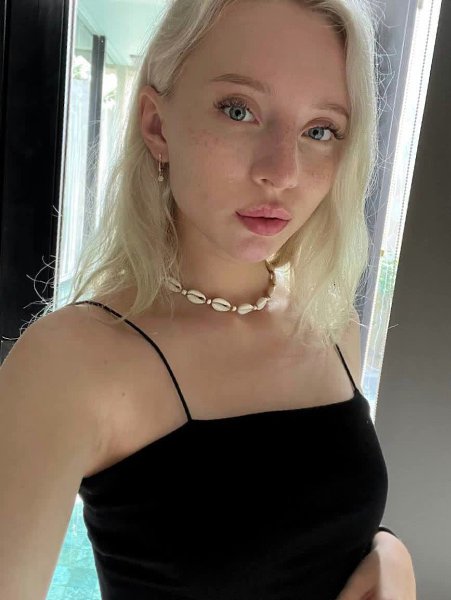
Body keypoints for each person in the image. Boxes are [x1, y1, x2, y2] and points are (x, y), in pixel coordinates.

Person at [0, 0, 416, 598]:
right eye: (239, 110)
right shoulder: (74, 360)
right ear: (156, 125)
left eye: (320, 130)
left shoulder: (330, 325)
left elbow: (312, 526)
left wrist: (389, 552)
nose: (282, 171)